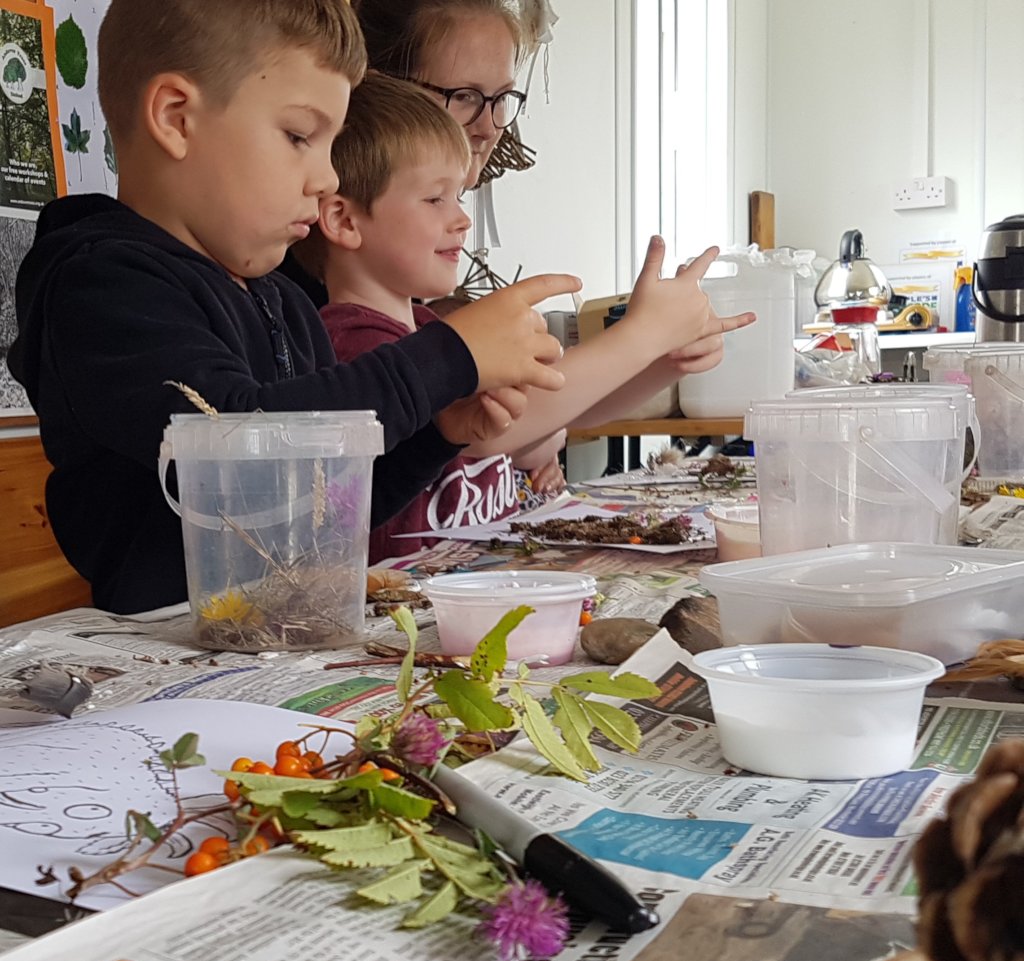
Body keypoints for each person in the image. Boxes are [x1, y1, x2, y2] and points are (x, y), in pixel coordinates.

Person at [6, 0, 577, 615]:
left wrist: (435, 434)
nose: (328, 177)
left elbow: (314, 503)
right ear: (176, 118)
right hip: (164, 650)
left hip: (277, 635)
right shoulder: (103, 285)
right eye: (299, 136)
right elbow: (238, 442)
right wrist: (449, 356)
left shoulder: (284, 301)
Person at [291, 72, 753, 562]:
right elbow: (498, 433)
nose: (461, 219)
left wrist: (665, 359)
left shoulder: (431, 332)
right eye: (434, 198)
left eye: (460, 197)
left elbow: (565, 407)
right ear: (344, 220)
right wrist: (642, 335)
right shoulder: (353, 345)